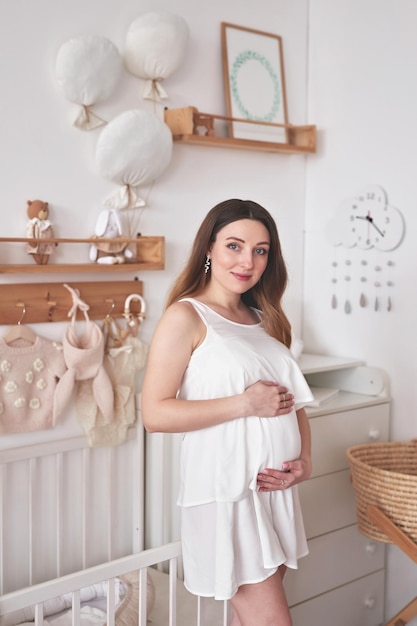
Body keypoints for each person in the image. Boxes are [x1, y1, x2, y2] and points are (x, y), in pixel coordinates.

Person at [141, 198, 314, 626]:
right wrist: (244, 403)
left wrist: (304, 463)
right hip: (227, 494)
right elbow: (155, 414)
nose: (247, 261)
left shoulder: (265, 317)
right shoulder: (186, 317)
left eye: (260, 250)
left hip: (273, 494)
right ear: (209, 249)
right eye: (234, 246)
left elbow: (292, 405)